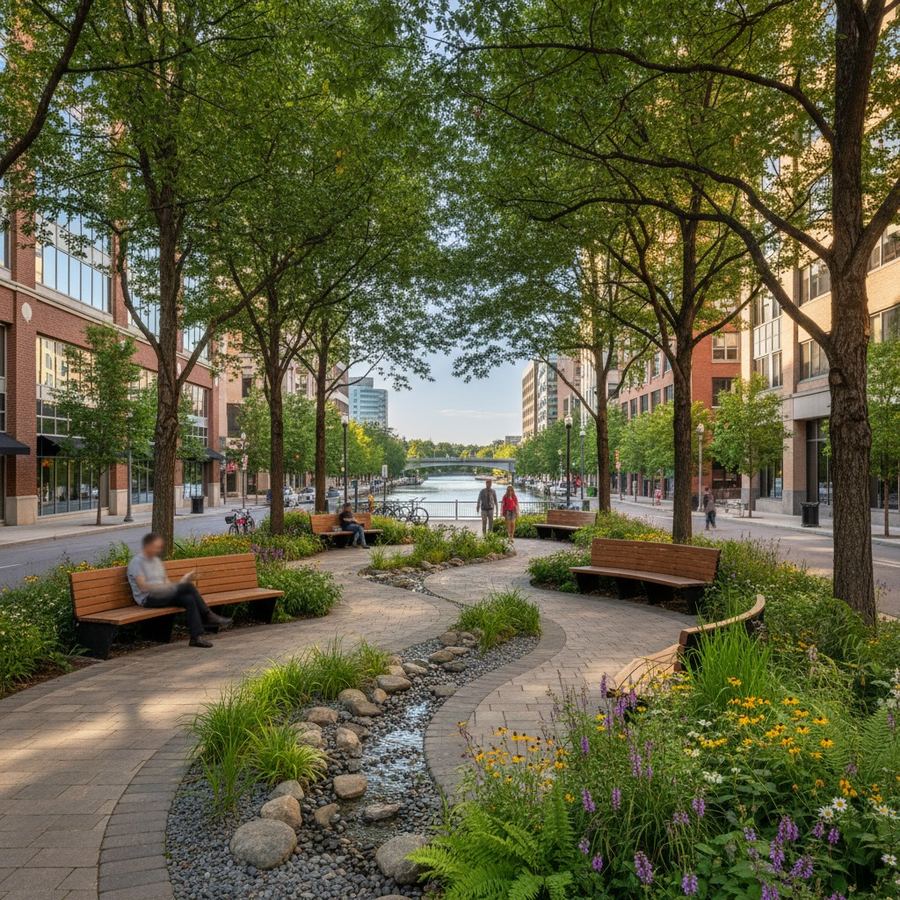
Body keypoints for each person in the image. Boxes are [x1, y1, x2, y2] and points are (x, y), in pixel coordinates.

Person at [126, 533, 231, 648]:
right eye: (156, 547)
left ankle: (196, 638)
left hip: (162, 594)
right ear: (147, 546)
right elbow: (143, 586)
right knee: (188, 587)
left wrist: (182, 581)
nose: (159, 550)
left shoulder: (156, 561)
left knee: (189, 599)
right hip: (147, 598)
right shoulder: (137, 562)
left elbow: (166, 583)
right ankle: (208, 615)